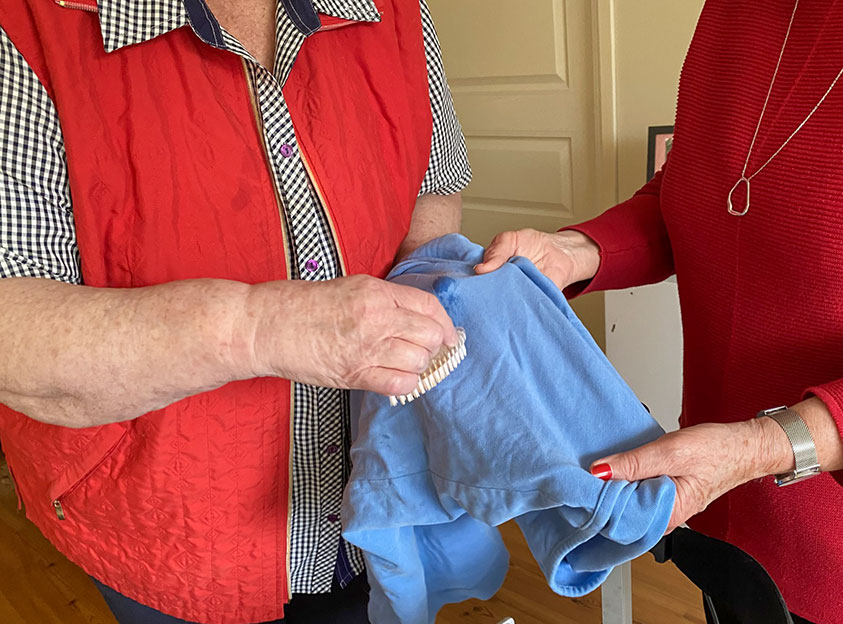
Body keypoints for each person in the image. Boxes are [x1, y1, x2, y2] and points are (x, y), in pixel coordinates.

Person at [0, 0, 468, 622]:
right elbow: (14, 329)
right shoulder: (25, 24)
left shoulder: (397, 10)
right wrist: (258, 328)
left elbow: (434, 184)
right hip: (167, 532)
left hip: (384, 503)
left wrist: (428, 306)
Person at [476, 1, 843, 623]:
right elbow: (701, 196)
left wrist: (763, 446)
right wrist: (575, 252)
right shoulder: (732, 14)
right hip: (718, 506)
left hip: (824, 541)